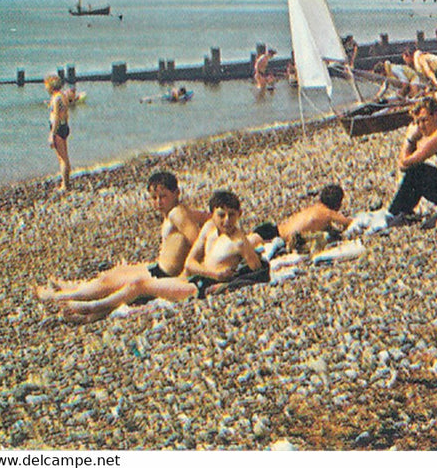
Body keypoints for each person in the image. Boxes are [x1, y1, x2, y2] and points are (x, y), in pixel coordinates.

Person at [51, 190, 267, 322]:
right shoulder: (209, 228)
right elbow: (190, 263)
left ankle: (90, 306)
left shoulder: (239, 241)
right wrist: (215, 274)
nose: (227, 221)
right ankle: (89, 314)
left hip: (198, 288)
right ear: (213, 214)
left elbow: (256, 271)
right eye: (222, 215)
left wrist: (223, 282)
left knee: (139, 286)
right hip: (191, 278)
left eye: (232, 215)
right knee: (138, 292)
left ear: (240, 215)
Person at [36, 171, 209, 303]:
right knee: (114, 273)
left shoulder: (177, 214)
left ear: (177, 192)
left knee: (108, 283)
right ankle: (72, 287)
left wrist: (189, 272)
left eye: (163, 197)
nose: (158, 202)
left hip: (164, 274)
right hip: (159, 268)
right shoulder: (179, 211)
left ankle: (61, 296)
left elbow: (197, 242)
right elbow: (206, 217)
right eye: (154, 198)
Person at [277, 183, 352, 243]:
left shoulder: (315, 208)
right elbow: (348, 222)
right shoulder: (328, 213)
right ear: (338, 203)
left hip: (279, 230)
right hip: (284, 239)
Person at [45, 74, 72, 193]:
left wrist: (52, 134)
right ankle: (65, 183)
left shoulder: (56, 99)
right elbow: (64, 112)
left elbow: (56, 117)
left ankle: (65, 185)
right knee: (64, 157)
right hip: (64, 126)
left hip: (58, 128)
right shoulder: (62, 96)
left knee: (62, 159)